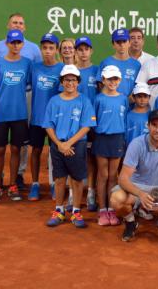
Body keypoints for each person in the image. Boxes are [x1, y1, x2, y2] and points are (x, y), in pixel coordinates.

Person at [110, 109, 158, 242]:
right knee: (116, 199)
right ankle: (131, 222)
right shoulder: (136, 143)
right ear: (148, 126)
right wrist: (140, 194)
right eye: (154, 125)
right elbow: (123, 178)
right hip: (138, 187)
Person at [0, 13, 41, 192]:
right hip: (1, 111)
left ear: (23, 43)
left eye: (19, 42)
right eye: (13, 42)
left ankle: (15, 182)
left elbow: (35, 80)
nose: (16, 45)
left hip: (21, 108)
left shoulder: (28, 61)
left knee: (18, 148)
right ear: (7, 42)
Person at [43, 65, 96, 229]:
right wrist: (59, 144)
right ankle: (58, 211)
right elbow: (48, 125)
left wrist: (68, 143)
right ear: (62, 81)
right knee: (59, 179)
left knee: (77, 180)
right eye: (67, 79)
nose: (70, 82)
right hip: (58, 145)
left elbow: (87, 126)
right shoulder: (54, 101)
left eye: (73, 80)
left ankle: (76, 211)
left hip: (76, 145)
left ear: (78, 82)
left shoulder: (84, 101)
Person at [27, 33, 63, 201]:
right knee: (35, 150)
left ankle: (55, 184)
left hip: (55, 120)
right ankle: (35, 184)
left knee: (54, 152)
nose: (47, 51)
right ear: (41, 49)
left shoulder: (62, 69)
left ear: (56, 50)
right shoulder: (34, 68)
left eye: (51, 48)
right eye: (45, 48)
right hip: (37, 118)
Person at [93, 65, 128, 226]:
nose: (112, 82)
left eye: (115, 79)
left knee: (113, 176)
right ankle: (102, 210)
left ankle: (112, 210)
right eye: (109, 79)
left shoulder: (123, 98)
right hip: (101, 139)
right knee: (103, 175)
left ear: (119, 80)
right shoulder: (98, 99)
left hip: (118, 139)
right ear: (103, 80)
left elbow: (125, 119)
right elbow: (93, 121)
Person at [75, 36, 100, 211]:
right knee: (74, 158)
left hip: (92, 124)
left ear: (91, 51)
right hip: (74, 123)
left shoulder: (97, 71)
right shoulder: (71, 71)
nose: (83, 53)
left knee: (91, 158)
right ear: (76, 52)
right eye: (80, 49)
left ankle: (91, 191)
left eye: (86, 49)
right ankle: (72, 194)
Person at [98, 29, 141, 97]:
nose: (122, 45)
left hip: (130, 106)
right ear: (113, 44)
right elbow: (100, 85)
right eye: (118, 42)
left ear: (129, 43)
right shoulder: (106, 63)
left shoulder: (136, 65)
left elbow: (138, 86)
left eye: (124, 41)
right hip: (110, 104)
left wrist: (129, 100)